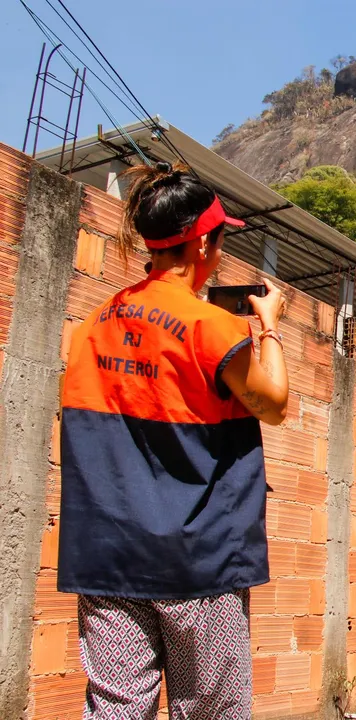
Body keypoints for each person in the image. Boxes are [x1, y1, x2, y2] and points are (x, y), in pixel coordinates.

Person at [58, 161, 290, 719]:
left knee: (115, 709)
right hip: (200, 564)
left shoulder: (92, 326)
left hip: (109, 558)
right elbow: (275, 404)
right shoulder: (213, 327)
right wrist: (270, 326)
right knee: (211, 711)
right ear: (205, 242)